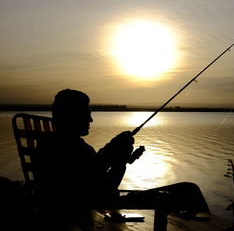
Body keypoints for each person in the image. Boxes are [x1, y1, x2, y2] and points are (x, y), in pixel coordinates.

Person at [33, 89, 210, 221]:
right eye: (86, 114)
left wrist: (120, 159)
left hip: (105, 203)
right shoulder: (59, 148)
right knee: (188, 191)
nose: (90, 120)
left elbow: (101, 183)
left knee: (187, 189)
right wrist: (115, 158)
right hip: (93, 209)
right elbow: (100, 193)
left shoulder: (65, 145)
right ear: (71, 116)